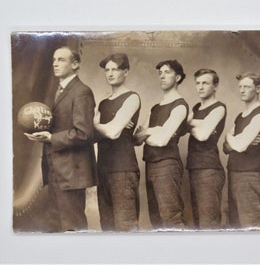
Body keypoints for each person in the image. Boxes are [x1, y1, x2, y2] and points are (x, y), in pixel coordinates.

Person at [24, 46, 96, 232]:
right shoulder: (62, 90)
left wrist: (51, 137)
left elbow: (84, 133)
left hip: (71, 173)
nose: (55, 64)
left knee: (73, 227)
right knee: (57, 226)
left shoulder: (81, 91)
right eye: (54, 60)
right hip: (56, 171)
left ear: (75, 64)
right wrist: (41, 133)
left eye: (61, 60)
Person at [134, 59, 188, 229]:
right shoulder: (155, 108)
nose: (162, 76)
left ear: (178, 77)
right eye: (160, 73)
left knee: (171, 218)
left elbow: (162, 140)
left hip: (167, 166)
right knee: (156, 219)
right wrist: (155, 129)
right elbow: (136, 139)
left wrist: (148, 131)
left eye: (167, 72)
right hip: (150, 165)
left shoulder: (180, 106)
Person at [94, 53, 141, 231]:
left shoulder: (132, 97)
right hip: (103, 170)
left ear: (126, 71)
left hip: (123, 170)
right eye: (107, 70)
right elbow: (92, 134)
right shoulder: (103, 104)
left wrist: (98, 125)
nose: (110, 73)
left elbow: (113, 132)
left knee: (126, 227)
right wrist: (102, 125)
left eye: (115, 69)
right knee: (107, 227)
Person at [223, 71, 260, 229]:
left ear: (257, 89)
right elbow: (226, 147)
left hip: (249, 176)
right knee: (236, 225)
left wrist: (231, 137)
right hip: (234, 173)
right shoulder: (240, 116)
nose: (242, 90)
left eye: (247, 87)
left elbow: (239, 146)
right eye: (240, 87)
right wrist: (234, 139)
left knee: (251, 225)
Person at [186, 69, 226, 229]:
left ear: (215, 86)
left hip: (209, 170)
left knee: (208, 224)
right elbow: (183, 126)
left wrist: (191, 124)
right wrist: (198, 123)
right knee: (198, 223)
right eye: (198, 83)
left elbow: (203, 135)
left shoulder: (219, 108)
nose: (200, 87)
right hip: (195, 168)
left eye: (205, 83)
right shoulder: (195, 108)